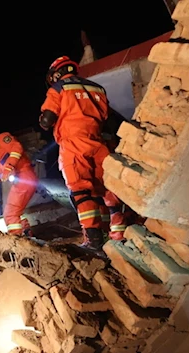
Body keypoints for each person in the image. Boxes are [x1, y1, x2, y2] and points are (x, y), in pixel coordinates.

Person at [38, 56, 128, 250]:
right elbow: (107, 118)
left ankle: (94, 241)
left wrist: (45, 119)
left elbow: (47, 120)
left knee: (80, 190)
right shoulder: (97, 89)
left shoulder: (59, 88)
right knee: (102, 190)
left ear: (56, 74)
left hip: (73, 143)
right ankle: (114, 233)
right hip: (98, 143)